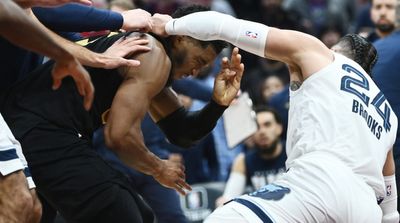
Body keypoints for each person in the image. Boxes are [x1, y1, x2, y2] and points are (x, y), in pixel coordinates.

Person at [2, 5, 244, 223]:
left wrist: (217, 104)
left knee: (34, 215)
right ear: (181, 37)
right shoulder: (151, 53)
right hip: (43, 130)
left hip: (36, 129)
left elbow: (182, 133)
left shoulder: (151, 59)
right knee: (123, 215)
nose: (195, 71)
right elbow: (119, 137)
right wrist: (158, 168)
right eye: (199, 60)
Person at [152, 11, 399, 222]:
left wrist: (170, 25)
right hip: (365, 208)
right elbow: (389, 198)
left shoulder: (321, 54)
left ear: (335, 50)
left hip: (319, 181)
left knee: (225, 217)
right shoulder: (386, 112)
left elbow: (223, 26)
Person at [215, 107, 286, 207]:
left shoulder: (292, 152)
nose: (262, 131)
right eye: (256, 127)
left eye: (267, 125)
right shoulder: (243, 161)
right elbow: (228, 197)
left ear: (279, 128)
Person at [372, 0, 400, 214]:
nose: (383, 12)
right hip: (377, 157)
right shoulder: (370, 49)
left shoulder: (386, 49)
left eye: (389, 7)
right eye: (378, 6)